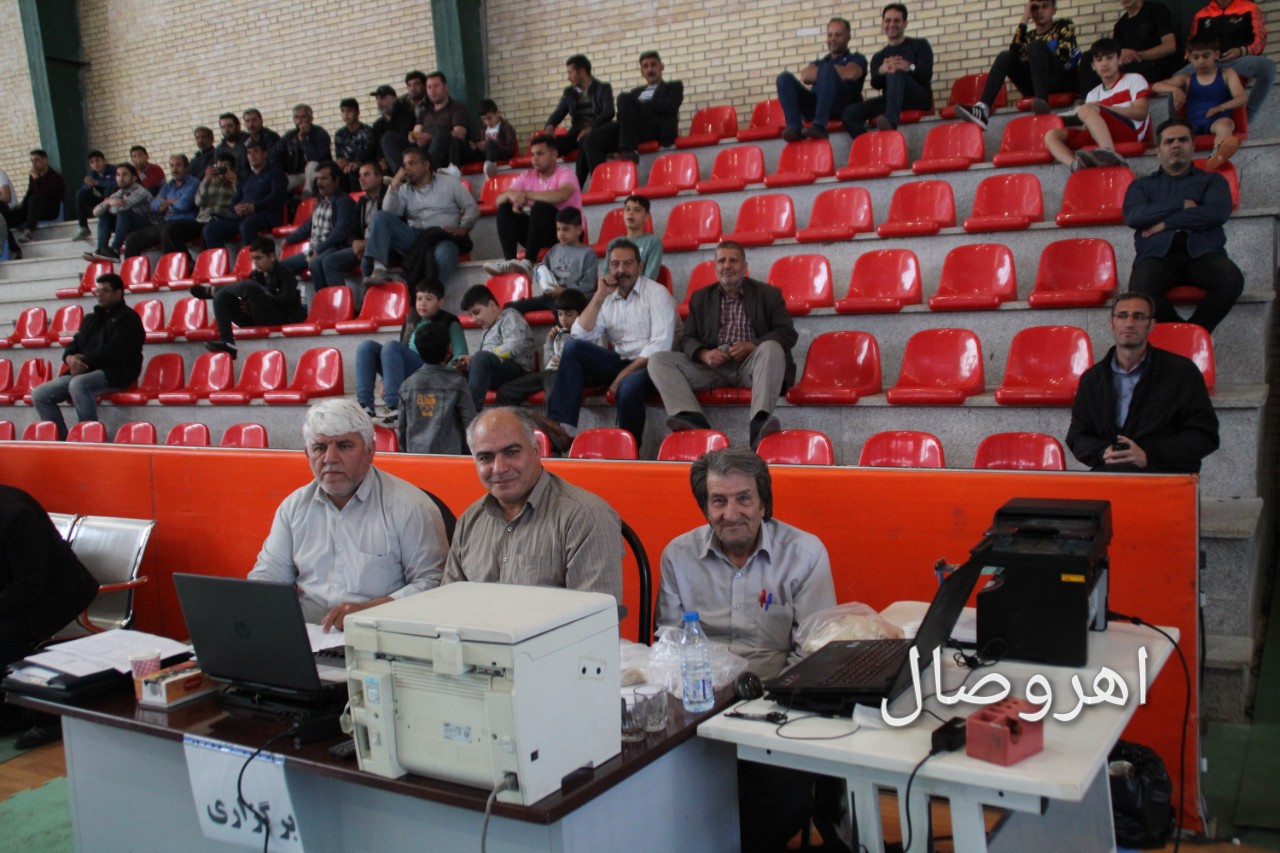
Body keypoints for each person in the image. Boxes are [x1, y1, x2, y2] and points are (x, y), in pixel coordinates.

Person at [656, 446, 836, 853]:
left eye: (743, 499)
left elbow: (815, 651)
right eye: (718, 501)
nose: (731, 513)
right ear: (705, 507)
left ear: (763, 503)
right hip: (698, 710)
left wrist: (768, 702)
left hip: (778, 709)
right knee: (654, 789)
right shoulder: (678, 556)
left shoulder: (804, 555)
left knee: (778, 804)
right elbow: (668, 646)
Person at [248, 398, 448, 629]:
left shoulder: (410, 506)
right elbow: (268, 578)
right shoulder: (293, 508)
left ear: (370, 451)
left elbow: (434, 585)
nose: (330, 458)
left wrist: (372, 610)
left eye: (344, 446)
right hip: (307, 633)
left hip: (378, 632)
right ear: (307, 454)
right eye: (319, 448)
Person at [442, 407, 623, 602]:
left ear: (536, 450)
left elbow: (595, 616)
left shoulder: (587, 518)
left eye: (512, 452)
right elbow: (447, 603)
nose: (499, 468)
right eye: (485, 457)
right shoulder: (469, 520)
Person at [649, 241, 798, 450]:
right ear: (715, 267)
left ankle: (760, 422)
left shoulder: (768, 294)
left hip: (752, 365)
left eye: (733, 260)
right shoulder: (700, 297)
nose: (727, 265)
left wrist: (752, 345)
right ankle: (692, 419)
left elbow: (788, 333)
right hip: (712, 367)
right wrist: (704, 354)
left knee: (772, 347)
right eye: (721, 261)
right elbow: (687, 339)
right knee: (658, 360)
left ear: (745, 266)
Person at [544, 240, 678, 448]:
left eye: (628, 263)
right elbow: (579, 334)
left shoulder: (657, 293)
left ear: (640, 266)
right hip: (621, 361)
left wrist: (622, 376)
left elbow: (659, 347)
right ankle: (563, 428)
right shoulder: (607, 296)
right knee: (573, 348)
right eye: (615, 264)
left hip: (654, 366)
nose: (621, 270)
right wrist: (599, 295)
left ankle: (629, 450)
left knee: (627, 387)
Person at [1066, 292, 1220, 472]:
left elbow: (1204, 435)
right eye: (1122, 316)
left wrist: (1149, 453)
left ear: (1151, 325)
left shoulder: (1182, 372)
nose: (1129, 323)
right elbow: (1077, 437)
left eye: (1138, 316)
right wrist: (1103, 452)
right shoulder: (1092, 379)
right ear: (1111, 323)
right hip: (1111, 469)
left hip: (1165, 470)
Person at [0, 485, 99, 749]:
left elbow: (29, 584)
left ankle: (49, 714)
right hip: (14, 590)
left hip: (57, 593)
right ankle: (13, 710)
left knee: (4, 639)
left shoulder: (15, 514)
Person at [1122, 118, 1242, 332]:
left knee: (1231, 279)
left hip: (1203, 254)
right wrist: (1181, 204)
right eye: (1169, 141)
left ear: (1193, 146)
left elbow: (1216, 213)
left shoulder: (1213, 181)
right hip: (1157, 256)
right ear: (1158, 150)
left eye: (1183, 140)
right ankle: (1183, 336)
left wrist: (1167, 222)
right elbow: (1133, 216)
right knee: (1140, 288)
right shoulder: (1141, 186)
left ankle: (1194, 334)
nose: (1176, 145)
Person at [31, 272, 144, 439]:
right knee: (40, 394)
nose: (99, 294)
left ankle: (89, 437)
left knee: (79, 384)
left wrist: (82, 361)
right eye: (97, 291)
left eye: (105, 291)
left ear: (118, 293)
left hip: (117, 372)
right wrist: (69, 358)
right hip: (85, 370)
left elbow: (115, 350)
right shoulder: (91, 319)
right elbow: (74, 343)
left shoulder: (129, 318)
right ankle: (62, 440)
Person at [361, 146, 478, 287]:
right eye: (404, 165)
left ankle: (433, 292)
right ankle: (379, 269)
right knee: (380, 217)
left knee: (445, 253)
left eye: (412, 163)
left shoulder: (449, 183)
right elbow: (388, 214)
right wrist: (394, 184)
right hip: (415, 238)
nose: (407, 169)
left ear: (426, 165)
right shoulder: (404, 189)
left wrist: (463, 228)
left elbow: (472, 208)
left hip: (442, 235)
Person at [956, 0, 1082, 129]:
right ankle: (983, 108)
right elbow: (1013, 54)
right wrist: (1024, 19)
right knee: (1006, 55)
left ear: (1054, 10)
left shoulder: (1064, 25)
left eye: (1045, 6)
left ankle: (1042, 102)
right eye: (1035, 8)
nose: (1040, 11)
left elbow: (1064, 56)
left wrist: (1034, 54)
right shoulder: (1028, 36)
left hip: (1059, 80)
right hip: (1036, 84)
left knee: (1035, 46)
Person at [356, 278, 468, 421]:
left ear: (440, 302)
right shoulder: (410, 320)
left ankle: (394, 404)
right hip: (408, 371)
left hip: (431, 370)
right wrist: (385, 380)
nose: (422, 303)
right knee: (366, 347)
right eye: (419, 298)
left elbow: (460, 355)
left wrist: (442, 371)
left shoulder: (449, 322)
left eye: (428, 299)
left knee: (391, 346)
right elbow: (392, 355)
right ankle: (365, 405)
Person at [483, 134, 583, 277]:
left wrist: (526, 195)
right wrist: (512, 196)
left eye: (540, 154)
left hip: (568, 232)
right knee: (504, 208)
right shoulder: (527, 175)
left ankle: (528, 262)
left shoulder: (566, 174)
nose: (535, 158)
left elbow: (562, 195)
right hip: (539, 234)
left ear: (554, 155)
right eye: (532, 154)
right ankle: (509, 262)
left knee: (540, 206)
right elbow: (499, 199)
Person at [1045, 38, 1150, 170]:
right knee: (1051, 135)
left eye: (1109, 58)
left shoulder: (1134, 79)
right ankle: (1076, 165)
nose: (1104, 64)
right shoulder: (1093, 94)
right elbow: (1088, 125)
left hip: (1130, 133)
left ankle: (1110, 156)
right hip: (1102, 134)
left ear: (1119, 60)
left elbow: (1141, 112)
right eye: (1099, 60)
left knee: (1086, 109)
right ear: (1093, 66)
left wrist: (1104, 109)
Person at [192, 236, 305, 359]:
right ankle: (228, 344)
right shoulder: (255, 275)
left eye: (259, 258)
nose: (255, 262)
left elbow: (286, 300)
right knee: (221, 297)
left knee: (249, 286)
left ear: (272, 256)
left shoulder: (285, 273)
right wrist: (247, 305)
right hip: (257, 317)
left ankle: (214, 289)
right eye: (253, 259)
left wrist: (263, 296)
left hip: (281, 317)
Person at [1151, 32, 1247, 169]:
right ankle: (1176, 162)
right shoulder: (1186, 78)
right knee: (1174, 131)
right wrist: (1175, 89)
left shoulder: (1227, 73)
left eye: (1206, 56)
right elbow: (1156, 86)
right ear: (1190, 58)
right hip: (1192, 124)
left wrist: (1222, 107)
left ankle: (1217, 155)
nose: (1201, 61)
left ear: (1216, 55)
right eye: (1196, 57)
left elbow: (1241, 97)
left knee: (1226, 125)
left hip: (1217, 120)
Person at [580, 50, 684, 170]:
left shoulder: (674, 86)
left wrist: (640, 104)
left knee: (624, 98)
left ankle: (630, 151)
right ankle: (599, 179)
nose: (650, 69)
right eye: (645, 66)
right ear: (642, 72)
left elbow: (669, 106)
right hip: (633, 130)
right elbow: (624, 116)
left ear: (661, 67)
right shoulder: (635, 93)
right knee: (591, 139)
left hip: (656, 129)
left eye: (653, 64)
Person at [841, 4, 934, 136]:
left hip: (917, 99)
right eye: (888, 20)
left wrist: (909, 67)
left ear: (905, 24)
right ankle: (870, 145)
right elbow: (875, 84)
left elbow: (926, 75)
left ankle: (890, 122)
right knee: (849, 113)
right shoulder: (879, 56)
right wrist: (881, 71)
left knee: (895, 71)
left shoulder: (920, 45)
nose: (892, 24)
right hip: (891, 100)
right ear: (883, 24)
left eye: (897, 20)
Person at [1182, 0, 1274, 123]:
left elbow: (1260, 40)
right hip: (1208, 62)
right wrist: (1193, 58)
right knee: (1177, 78)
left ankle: (1248, 117)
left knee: (1267, 67)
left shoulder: (1250, 8)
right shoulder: (1201, 14)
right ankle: (1177, 125)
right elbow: (1191, 45)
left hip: (1237, 60)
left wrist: (1241, 51)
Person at [776, 17, 868, 141]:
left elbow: (851, 73)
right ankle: (794, 128)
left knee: (827, 68)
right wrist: (828, 72)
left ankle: (819, 126)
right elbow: (806, 76)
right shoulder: (823, 61)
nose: (833, 39)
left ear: (848, 37)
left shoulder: (856, 58)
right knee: (783, 78)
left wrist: (826, 71)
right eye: (830, 35)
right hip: (816, 105)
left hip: (841, 106)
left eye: (838, 35)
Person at [496, 288, 588, 406]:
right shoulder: (561, 333)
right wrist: (550, 342)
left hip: (578, 376)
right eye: (560, 314)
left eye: (568, 314)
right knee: (506, 391)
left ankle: (553, 416)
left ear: (581, 313)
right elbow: (548, 366)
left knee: (554, 381)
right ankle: (509, 417)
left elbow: (595, 363)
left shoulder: (590, 330)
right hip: (554, 373)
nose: (563, 319)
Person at [398, 321, 477, 455]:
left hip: (416, 458)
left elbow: (402, 429)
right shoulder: (458, 382)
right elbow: (470, 423)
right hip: (451, 458)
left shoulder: (407, 385)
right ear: (449, 349)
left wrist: (406, 454)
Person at [1078, 0, 1181, 96]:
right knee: (1089, 58)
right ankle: (1088, 102)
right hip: (1129, 68)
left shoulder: (1157, 10)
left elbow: (1170, 46)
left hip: (1155, 65)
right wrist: (1120, 56)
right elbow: (1117, 56)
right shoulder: (1120, 25)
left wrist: (1137, 56)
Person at [280, 161, 357, 289]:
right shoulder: (320, 202)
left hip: (333, 248)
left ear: (336, 180)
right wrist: (288, 239)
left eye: (324, 178)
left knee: (315, 262)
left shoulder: (344, 202)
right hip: (314, 249)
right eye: (318, 179)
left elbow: (340, 232)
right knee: (280, 268)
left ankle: (324, 298)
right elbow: (306, 227)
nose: (319, 183)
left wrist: (319, 249)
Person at [458, 283, 535, 411]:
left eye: (476, 312)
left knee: (480, 358)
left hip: (518, 372)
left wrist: (476, 358)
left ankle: (471, 413)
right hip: (497, 371)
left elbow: (513, 346)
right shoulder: (488, 327)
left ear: (492, 305)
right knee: (456, 373)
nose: (474, 319)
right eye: (470, 315)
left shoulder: (510, 316)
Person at [507, 206, 597, 315]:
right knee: (511, 306)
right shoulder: (554, 250)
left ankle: (562, 326)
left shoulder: (588, 254)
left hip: (571, 299)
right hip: (549, 297)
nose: (561, 233)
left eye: (566, 229)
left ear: (578, 230)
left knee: (562, 312)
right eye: (558, 229)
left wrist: (563, 291)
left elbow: (588, 285)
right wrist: (544, 283)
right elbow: (542, 269)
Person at [201, 138, 287, 250]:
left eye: (256, 151)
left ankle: (251, 259)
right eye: (249, 153)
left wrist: (254, 206)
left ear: (265, 154)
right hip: (243, 216)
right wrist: (236, 208)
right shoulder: (247, 178)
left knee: (246, 225)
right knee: (210, 229)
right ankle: (219, 260)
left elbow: (277, 197)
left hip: (265, 214)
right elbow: (235, 200)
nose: (252, 155)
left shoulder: (276, 173)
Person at [544, 54, 614, 187]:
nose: (568, 77)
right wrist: (550, 126)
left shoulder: (603, 88)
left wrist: (591, 128)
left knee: (585, 139)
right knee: (548, 145)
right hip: (576, 133)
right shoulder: (569, 92)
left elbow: (608, 112)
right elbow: (559, 112)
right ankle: (547, 186)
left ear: (582, 71)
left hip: (596, 132)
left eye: (570, 72)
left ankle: (579, 186)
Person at [319, 160, 385, 301]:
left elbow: (388, 228)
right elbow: (352, 229)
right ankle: (342, 305)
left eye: (366, 175)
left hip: (381, 246)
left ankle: (368, 303)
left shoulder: (388, 197)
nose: (361, 179)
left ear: (379, 177)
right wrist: (355, 243)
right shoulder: (362, 201)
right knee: (329, 261)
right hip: (361, 245)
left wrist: (366, 244)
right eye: (360, 175)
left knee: (366, 258)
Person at [120, 154, 200, 258]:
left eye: (178, 165)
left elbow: (183, 205)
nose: (174, 169)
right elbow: (153, 206)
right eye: (172, 166)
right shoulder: (167, 186)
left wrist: (164, 204)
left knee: (168, 232)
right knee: (131, 239)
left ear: (186, 167)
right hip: (167, 223)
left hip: (188, 222)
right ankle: (132, 269)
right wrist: (170, 202)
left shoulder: (193, 183)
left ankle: (185, 262)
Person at [163, 152, 237, 261]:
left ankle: (212, 264)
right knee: (170, 230)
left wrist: (234, 183)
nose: (221, 170)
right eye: (219, 166)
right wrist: (206, 179)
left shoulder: (235, 182)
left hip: (220, 219)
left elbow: (237, 203)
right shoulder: (209, 181)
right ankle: (187, 263)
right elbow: (198, 202)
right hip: (202, 219)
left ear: (232, 169)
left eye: (225, 167)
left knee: (207, 230)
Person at [83, 163, 153, 263]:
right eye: (118, 175)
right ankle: (101, 249)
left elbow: (121, 208)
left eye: (125, 174)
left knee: (123, 213)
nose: (120, 178)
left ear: (134, 178)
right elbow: (96, 212)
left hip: (149, 229)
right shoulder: (120, 192)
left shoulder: (141, 191)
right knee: (104, 216)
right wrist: (109, 202)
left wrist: (109, 203)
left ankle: (115, 249)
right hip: (131, 228)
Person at [406, 71, 470, 176]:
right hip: (426, 151)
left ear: (445, 87)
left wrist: (431, 137)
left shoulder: (457, 108)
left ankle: (428, 171)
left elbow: (460, 134)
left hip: (449, 152)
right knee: (388, 138)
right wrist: (413, 137)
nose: (432, 90)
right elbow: (416, 131)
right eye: (429, 87)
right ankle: (403, 173)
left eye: (436, 86)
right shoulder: (424, 112)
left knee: (442, 131)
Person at [3, 149, 66, 255]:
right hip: (34, 210)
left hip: (49, 210)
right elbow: (29, 192)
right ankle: (13, 247)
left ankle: (28, 231)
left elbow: (42, 194)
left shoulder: (56, 178)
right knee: (8, 216)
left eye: (37, 160)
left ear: (45, 160)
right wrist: (20, 206)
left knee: (35, 199)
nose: (34, 163)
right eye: (32, 161)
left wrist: (36, 178)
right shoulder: (33, 177)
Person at [599, 194, 663, 280]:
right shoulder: (613, 243)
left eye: (637, 210)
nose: (631, 213)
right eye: (627, 209)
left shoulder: (653, 242)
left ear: (646, 216)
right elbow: (606, 274)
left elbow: (650, 277)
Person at [279, 103, 332, 195]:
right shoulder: (289, 135)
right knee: (280, 183)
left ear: (311, 119)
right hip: (297, 174)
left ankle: (306, 197)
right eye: (296, 117)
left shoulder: (320, 133)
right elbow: (277, 153)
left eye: (303, 117)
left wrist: (304, 140)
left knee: (311, 165)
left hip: (318, 172)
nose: (300, 121)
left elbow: (318, 159)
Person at [369, 84, 417, 174]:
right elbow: (375, 148)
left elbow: (405, 140)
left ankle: (401, 174)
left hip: (407, 156)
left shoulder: (406, 115)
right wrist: (381, 159)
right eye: (377, 98)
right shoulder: (378, 125)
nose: (379, 102)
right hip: (387, 164)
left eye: (383, 98)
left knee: (388, 138)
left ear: (394, 98)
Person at [71, 150, 116, 242]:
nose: (95, 164)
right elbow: (83, 189)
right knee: (80, 194)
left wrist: (98, 182)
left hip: (114, 200)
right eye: (92, 162)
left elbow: (116, 184)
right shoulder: (92, 174)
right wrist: (88, 185)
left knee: (109, 189)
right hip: (100, 201)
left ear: (104, 160)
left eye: (97, 160)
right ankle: (83, 226)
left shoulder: (113, 169)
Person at [470, 99, 518, 179]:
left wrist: (492, 144)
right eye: (484, 119)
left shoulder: (506, 127)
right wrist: (476, 147)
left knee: (490, 143)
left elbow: (510, 150)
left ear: (497, 113)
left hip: (501, 154)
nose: (487, 122)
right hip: (485, 154)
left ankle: (490, 167)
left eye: (489, 118)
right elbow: (479, 142)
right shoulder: (482, 129)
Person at [334, 97, 375, 183]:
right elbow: (339, 157)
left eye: (349, 111)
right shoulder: (339, 134)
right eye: (343, 111)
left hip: (365, 167)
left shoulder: (368, 132)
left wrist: (355, 164)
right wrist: (341, 162)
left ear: (357, 112)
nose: (345, 114)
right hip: (346, 169)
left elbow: (369, 155)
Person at [240, 108, 282, 172]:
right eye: (247, 121)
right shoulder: (245, 139)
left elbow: (273, 160)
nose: (251, 124)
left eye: (254, 120)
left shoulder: (271, 137)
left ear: (261, 121)